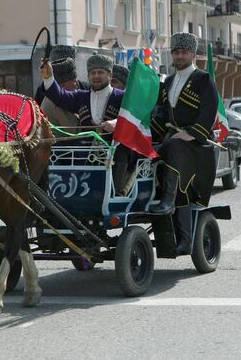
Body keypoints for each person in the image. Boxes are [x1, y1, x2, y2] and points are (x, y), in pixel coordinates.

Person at [149, 32, 218, 256]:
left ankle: (168, 200)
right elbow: (161, 116)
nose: (179, 56)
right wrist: (147, 136)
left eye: (184, 52)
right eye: (176, 52)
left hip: (198, 144)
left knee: (172, 148)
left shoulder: (203, 79)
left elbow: (209, 112)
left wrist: (191, 134)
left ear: (193, 54)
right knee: (148, 151)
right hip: (174, 141)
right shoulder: (168, 81)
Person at [39, 52, 133, 194]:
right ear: (88, 76)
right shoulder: (81, 96)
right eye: (92, 73)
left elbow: (134, 118)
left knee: (122, 151)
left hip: (112, 151)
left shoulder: (122, 97)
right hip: (83, 153)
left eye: (100, 72)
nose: (96, 76)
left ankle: (116, 192)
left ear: (110, 75)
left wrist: (116, 123)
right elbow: (59, 96)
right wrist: (48, 77)